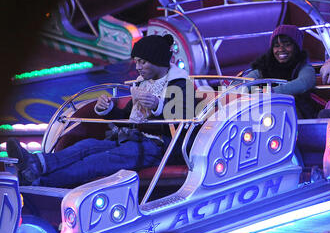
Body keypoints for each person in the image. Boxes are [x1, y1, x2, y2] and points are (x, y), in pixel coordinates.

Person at [7, 34, 192, 188]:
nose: (137, 67)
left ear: (157, 60)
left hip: (159, 148)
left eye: (143, 62)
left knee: (97, 162)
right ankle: (37, 163)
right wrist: (108, 109)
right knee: (86, 146)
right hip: (132, 139)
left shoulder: (181, 84)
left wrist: (157, 105)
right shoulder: (143, 84)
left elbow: (185, 122)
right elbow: (127, 119)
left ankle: (39, 182)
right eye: (136, 62)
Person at [242, 24, 318, 118]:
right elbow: (245, 82)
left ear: (296, 47)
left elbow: (304, 83)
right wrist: (226, 89)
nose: (281, 49)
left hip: (295, 114)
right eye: (276, 46)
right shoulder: (265, 66)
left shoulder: (303, 66)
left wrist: (271, 92)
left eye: (287, 45)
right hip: (264, 115)